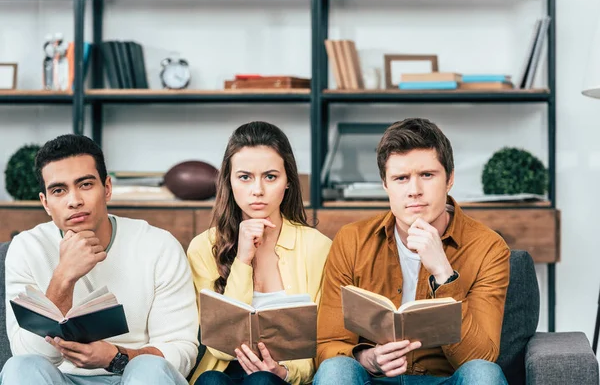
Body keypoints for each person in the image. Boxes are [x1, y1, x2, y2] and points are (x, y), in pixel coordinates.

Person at [314, 118, 510, 384]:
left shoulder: (489, 248)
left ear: (449, 179)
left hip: (445, 379)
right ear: (385, 185)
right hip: (375, 379)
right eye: (401, 178)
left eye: (427, 175)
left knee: (484, 374)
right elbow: (328, 345)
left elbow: (482, 357)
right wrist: (368, 359)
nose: (414, 191)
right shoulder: (352, 240)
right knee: (336, 369)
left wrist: (444, 274)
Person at [1, 134, 199, 385]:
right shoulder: (26, 248)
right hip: (60, 378)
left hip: (133, 375)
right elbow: (28, 354)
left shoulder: (159, 245)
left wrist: (116, 357)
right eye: (59, 190)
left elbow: (181, 352)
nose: (74, 201)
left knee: (149, 368)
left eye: (85, 185)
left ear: (107, 188)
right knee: (21, 367)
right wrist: (63, 277)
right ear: (46, 202)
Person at [187, 121, 332, 385]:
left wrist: (286, 373)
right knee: (210, 380)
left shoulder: (317, 246)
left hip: (285, 377)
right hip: (225, 370)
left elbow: (322, 342)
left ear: (288, 181)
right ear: (229, 182)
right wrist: (243, 259)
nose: (258, 190)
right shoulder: (202, 247)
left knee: (262, 381)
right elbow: (219, 347)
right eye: (245, 177)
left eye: (270, 177)